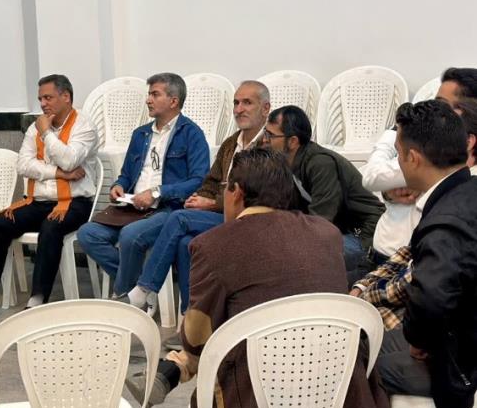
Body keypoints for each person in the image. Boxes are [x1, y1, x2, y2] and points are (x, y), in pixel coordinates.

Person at [127, 148, 391, 408]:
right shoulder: (327, 234)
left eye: (225, 189)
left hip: (254, 407)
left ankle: (174, 368)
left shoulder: (213, 245)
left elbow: (197, 338)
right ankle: (172, 368)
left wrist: (190, 353)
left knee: (217, 339)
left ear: (237, 192)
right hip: (333, 394)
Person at [366, 101, 477, 408]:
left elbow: (431, 299)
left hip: (461, 359)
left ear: (412, 158)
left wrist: (420, 339)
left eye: (398, 154)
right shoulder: (465, 192)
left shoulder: (446, 220)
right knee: (364, 343)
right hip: (462, 335)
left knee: (352, 376)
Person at [0, 74, 99, 325]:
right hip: (37, 201)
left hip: (74, 203)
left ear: (66, 96)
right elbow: (23, 165)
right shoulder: (35, 127)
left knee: (51, 227)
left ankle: (37, 301)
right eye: (40, 98)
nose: (43, 104)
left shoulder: (84, 126)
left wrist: (47, 134)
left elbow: (69, 159)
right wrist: (58, 173)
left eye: (48, 97)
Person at [125, 80, 270, 315]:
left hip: (252, 219)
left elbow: (263, 194)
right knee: (186, 243)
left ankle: (145, 287)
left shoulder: (270, 144)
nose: (239, 109)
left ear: (265, 108)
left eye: (247, 103)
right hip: (223, 215)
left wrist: (212, 203)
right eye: (236, 103)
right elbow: (210, 181)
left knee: (179, 218)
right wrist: (198, 199)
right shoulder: (231, 143)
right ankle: (189, 315)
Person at [77, 73, 209, 297]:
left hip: (168, 208)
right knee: (87, 233)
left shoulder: (192, 134)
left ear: (173, 101)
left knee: (130, 236)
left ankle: (123, 296)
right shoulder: (140, 134)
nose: (148, 100)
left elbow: (199, 180)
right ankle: (140, 286)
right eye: (149, 94)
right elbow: (127, 175)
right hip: (132, 206)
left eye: (155, 94)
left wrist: (158, 192)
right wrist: (119, 186)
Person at [361, 67, 477, 269]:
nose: (435, 111)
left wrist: (392, 133)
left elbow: (371, 177)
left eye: (441, 105)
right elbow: (375, 181)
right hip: (392, 258)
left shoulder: (433, 156)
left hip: (411, 267)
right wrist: (389, 193)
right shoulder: (429, 148)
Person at [261, 105, 385, 283]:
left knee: (298, 257)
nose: (265, 140)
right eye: (266, 133)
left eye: (271, 136)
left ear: (293, 141)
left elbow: (320, 221)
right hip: (337, 230)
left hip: (363, 234)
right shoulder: (287, 162)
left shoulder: (320, 163)